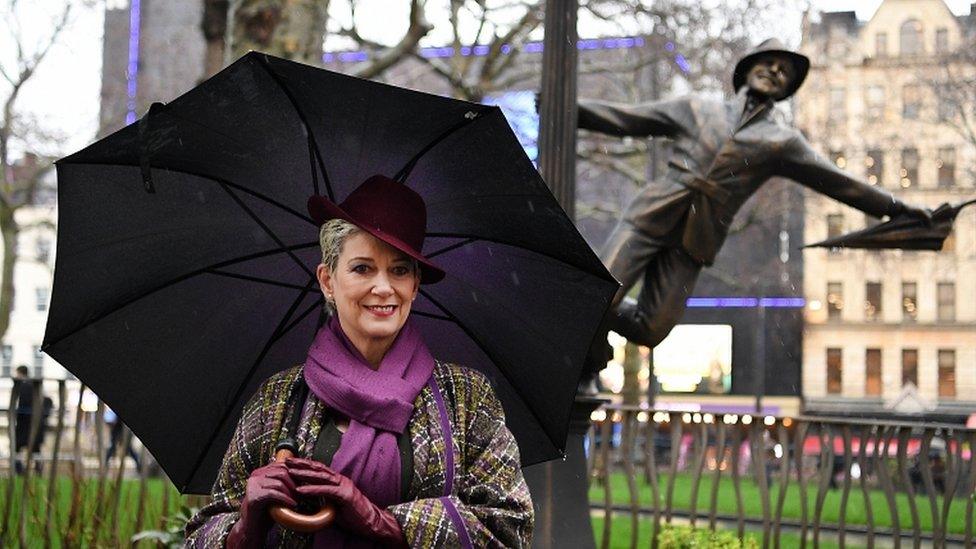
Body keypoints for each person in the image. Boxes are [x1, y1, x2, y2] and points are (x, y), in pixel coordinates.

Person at [185, 175, 534, 547]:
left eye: (399, 270)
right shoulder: (279, 398)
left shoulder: (465, 397)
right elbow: (200, 536)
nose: (383, 287)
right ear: (327, 280)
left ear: (415, 285)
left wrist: (376, 520)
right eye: (362, 268)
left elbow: (508, 528)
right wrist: (246, 524)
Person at [576, 38, 931, 386]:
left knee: (650, 329)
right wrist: (571, 108)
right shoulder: (698, 108)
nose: (775, 72)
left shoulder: (781, 141)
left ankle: (587, 313)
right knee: (600, 296)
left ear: (786, 88)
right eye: (769, 63)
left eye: (785, 72)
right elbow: (629, 119)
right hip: (651, 214)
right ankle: (586, 328)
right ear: (747, 69)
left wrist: (897, 208)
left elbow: (838, 181)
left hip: (696, 238)